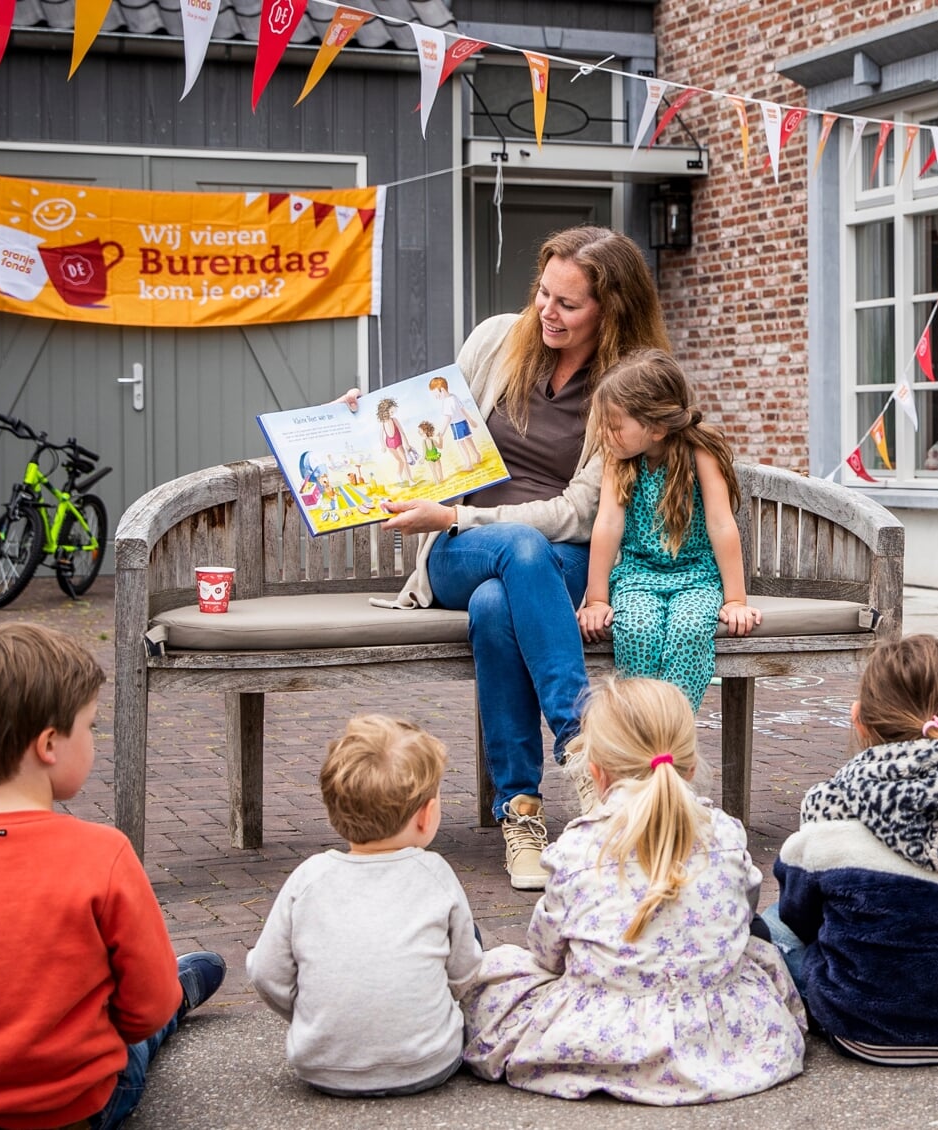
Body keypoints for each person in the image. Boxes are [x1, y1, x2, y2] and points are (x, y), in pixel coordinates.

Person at [343, 226, 671, 890]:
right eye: (543, 295)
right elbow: (424, 433)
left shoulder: (626, 382)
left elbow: (580, 511)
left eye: (568, 304)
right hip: (459, 549)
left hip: (558, 561)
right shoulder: (497, 338)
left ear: (610, 309)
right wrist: (363, 423)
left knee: (501, 602)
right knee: (512, 556)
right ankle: (583, 742)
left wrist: (466, 514)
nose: (547, 313)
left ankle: (518, 811)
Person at [0, 623, 224, 1130]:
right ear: (50, 744)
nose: (94, 740)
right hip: (69, 1111)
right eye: (91, 726)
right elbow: (143, 1010)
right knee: (149, 1027)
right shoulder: (104, 854)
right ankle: (185, 980)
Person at [459, 677, 805, 1104]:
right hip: (722, 1032)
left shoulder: (577, 846)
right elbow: (744, 916)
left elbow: (547, 953)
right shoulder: (725, 834)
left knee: (500, 969)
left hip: (603, 1035)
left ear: (595, 770)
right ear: (691, 766)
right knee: (759, 953)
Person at [760, 634, 938, 1066]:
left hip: (861, 1028)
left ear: (859, 721)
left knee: (771, 925)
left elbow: (800, 915)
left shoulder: (831, 812)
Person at [247, 715, 482, 1097]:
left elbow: (265, 973)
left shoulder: (308, 878)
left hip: (320, 1067)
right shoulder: (434, 872)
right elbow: (464, 973)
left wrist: (312, 1012)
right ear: (426, 815)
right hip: (427, 1062)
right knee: (466, 935)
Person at [576, 350, 760, 711]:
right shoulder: (619, 459)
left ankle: (674, 728)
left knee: (689, 631)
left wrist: (736, 600)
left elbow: (722, 524)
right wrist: (597, 599)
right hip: (636, 575)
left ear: (656, 428)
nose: (603, 433)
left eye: (614, 425)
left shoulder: (700, 452)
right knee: (638, 631)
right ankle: (641, 727)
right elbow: (608, 525)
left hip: (697, 576)